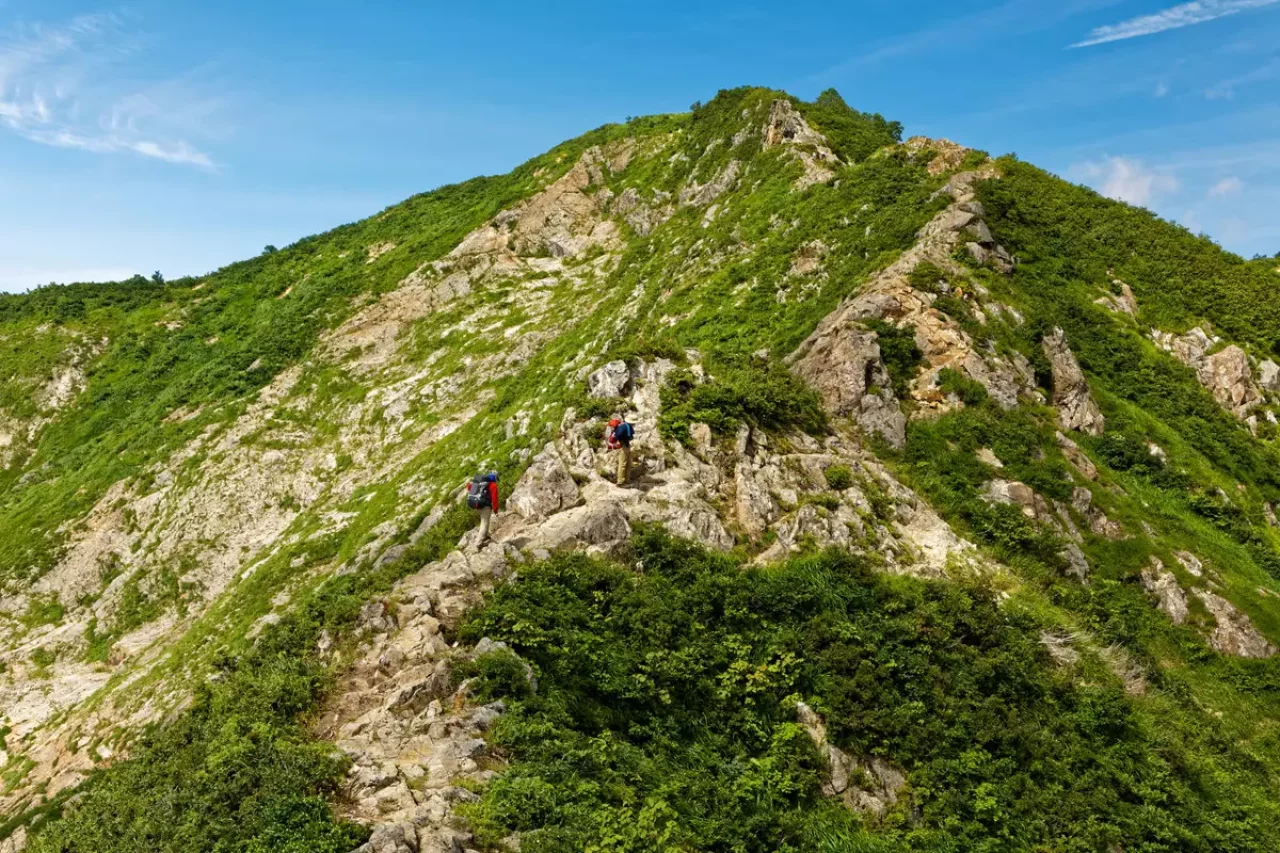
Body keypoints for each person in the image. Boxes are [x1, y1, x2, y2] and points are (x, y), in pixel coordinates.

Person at [464, 471, 500, 545]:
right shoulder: (493, 485)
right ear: (495, 478)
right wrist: (496, 510)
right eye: (496, 479)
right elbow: (494, 499)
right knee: (484, 523)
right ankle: (478, 542)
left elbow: (469, 487)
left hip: (476, 504)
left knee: (484, 521)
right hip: (485, 506)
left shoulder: (480, 482)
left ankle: (486, 536)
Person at [605, 415, 635, 485]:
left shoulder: (627, 426)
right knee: (623, 464)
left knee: (628, 463)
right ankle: (620, 482)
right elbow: (617, 436)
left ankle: (627, 480)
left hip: (626, 445)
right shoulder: (623, 427)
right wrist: (619, 442)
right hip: (623, 446)